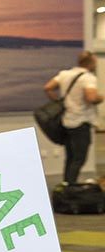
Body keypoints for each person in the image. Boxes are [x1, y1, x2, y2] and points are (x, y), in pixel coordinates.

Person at [43, 50, 103, 184]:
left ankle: (66, 184)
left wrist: (57, 101)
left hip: (67, 121)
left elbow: (48, 87)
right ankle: (71, 186)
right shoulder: (88, 77)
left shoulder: (65, 74)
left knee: (70, 157)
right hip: (81, 122)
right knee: (79, 158)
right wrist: (101, 97)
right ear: (91, 63)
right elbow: (91, 97)